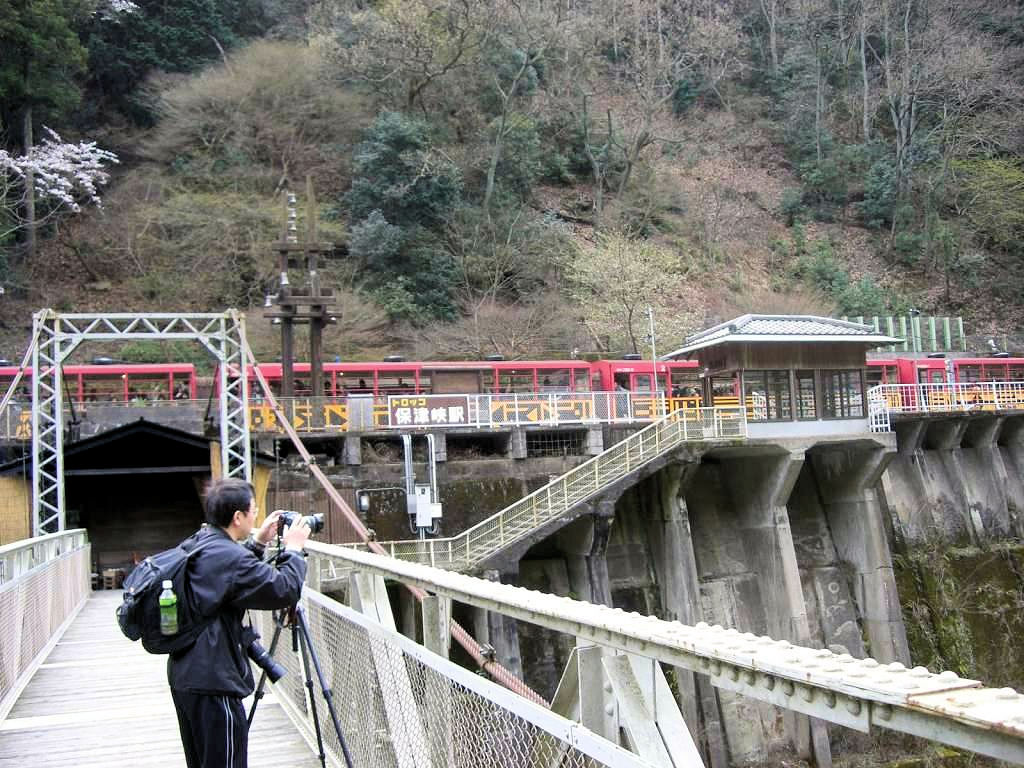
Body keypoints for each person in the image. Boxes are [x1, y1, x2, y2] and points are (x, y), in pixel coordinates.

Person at [168, 478, 310, 768]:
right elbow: (283, 589)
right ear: (237, 517)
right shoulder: (229, 557)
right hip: (214, 680)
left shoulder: (199, 542)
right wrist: (294, 550)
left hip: (185, 673)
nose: (256, 516)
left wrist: (258, 543)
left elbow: (228, 581)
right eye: (253, 511)